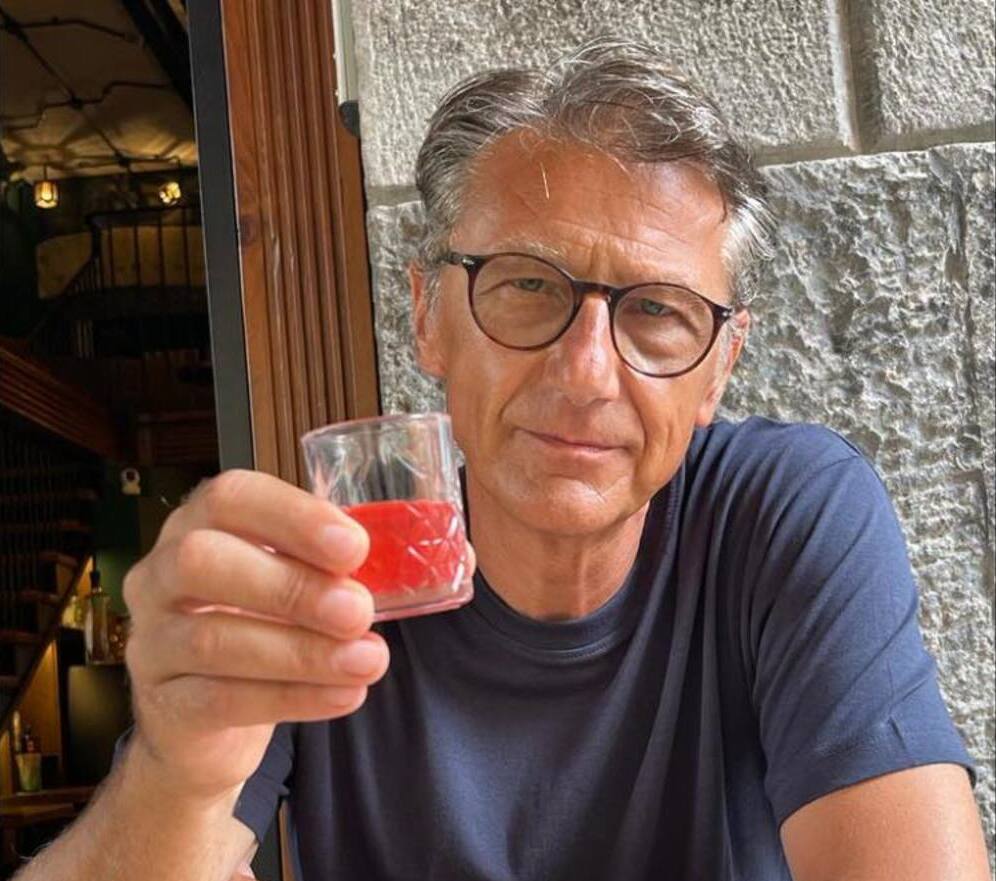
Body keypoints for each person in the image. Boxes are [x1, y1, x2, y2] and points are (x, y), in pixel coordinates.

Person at [15, 37, 989, 881]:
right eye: (526, 286)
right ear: (428, 317)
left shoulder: (782, 514)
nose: (586, 372)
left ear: (718, 368)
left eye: (657, 310)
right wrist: (174, 776)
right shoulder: (328, 576)